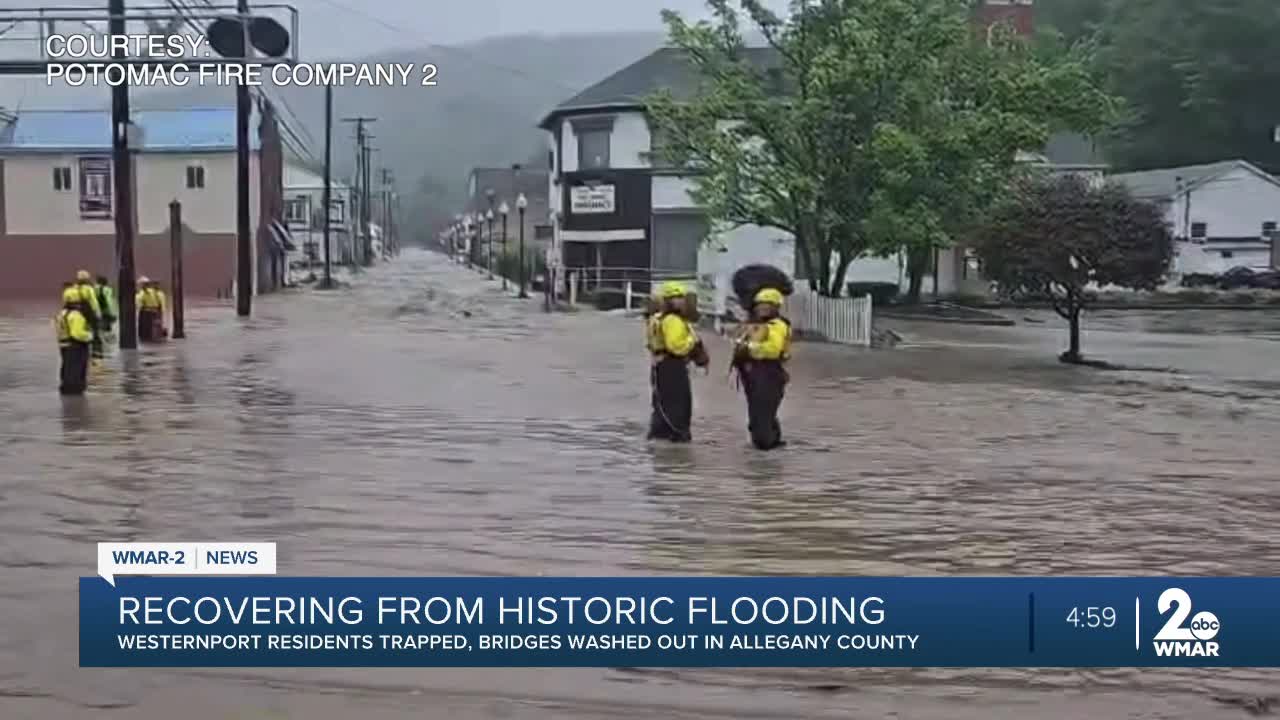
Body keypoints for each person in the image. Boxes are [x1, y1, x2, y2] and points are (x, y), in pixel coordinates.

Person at [646, 281, 708, 442]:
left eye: (681, 297)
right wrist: (692, 340)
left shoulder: (658, 317)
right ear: (667, 300)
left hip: (660, 366)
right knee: (678, 405)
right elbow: (676, 347)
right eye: (675, 298)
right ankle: (677, 438)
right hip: (671, 366)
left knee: (662, 404)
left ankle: (659, 438)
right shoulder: (672, 320)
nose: (680, 301)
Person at [732, 287, 792, 450]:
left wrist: (750, 348)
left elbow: (773, 350)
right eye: (760, 304)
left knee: (762, 413)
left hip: (769, 373)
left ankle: (765, 449)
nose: (762, 308)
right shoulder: (757, 325)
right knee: (760, 411)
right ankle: (770, 443)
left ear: (776, 307)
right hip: (755, 374)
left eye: (767, 305)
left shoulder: (777, 326)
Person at [54, 284, 93, 395]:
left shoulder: (61, 314)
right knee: (76, 372)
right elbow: (77, 334)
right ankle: (75, 394)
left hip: (64, 346)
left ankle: (66, 390)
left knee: (66, 369)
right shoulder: (76, 315)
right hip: (76, 347)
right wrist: (89, 336)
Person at [72, 270, 103, 360]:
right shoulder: (89, 289)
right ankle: (96, 352)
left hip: (76, 312)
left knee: (78, 330)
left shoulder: (74, 288)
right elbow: (94, 302)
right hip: (88, 312)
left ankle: (80, 351)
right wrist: (98, 313)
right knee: (95, 331)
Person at [136, 277, 167, 342]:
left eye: (146, 284)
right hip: (147, 312)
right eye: (143, 284)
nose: (145, 286)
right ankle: (151, 337)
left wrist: (160, 312)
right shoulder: (142, 293)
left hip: (150, 313)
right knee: (148, 330)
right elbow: (139, 304)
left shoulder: (154, 292)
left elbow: (161, 303)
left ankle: (155, 337)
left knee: (153, 328)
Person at [94, 274, 118, 346]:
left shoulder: (94, 289)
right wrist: (113, 312)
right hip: (105, 310)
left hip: (96, 310)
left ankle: (99, 341)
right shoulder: (107, 290)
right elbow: (109, 301)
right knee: (106, 327)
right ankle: (107, 342)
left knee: (99, 326)